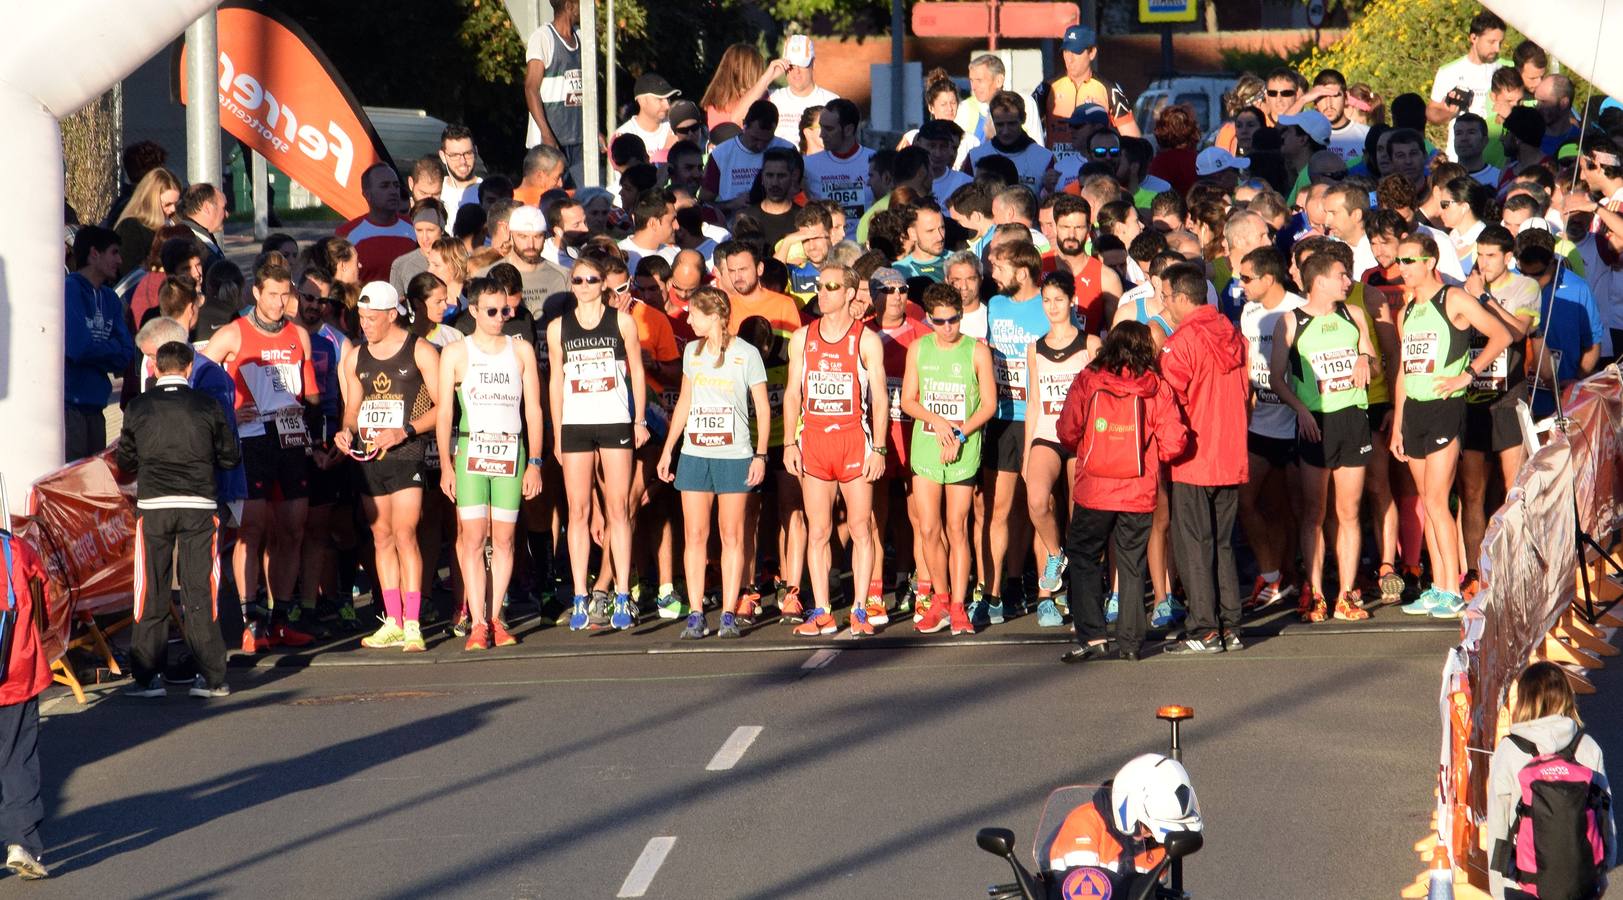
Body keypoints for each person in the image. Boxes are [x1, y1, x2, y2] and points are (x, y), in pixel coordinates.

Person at [203, 260, 321, 651]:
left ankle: (282, 617)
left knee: (293, 529)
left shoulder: (299, 335)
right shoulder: (234, 333)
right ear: (256, 293)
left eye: (285, 294)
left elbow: (311, 394)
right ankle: (251, 620)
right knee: (251, 531)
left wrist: (307, 417)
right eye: (272, 294)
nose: (279, 302)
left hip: (288, 441)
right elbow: (197, 378)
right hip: (250, 441)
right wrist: (228, 414)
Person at [1392, 232, 1510, 619]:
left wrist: (1468, 375)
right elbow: (1402, 372)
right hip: (1415, 413)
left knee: (1439, 500)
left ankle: (1451, 588)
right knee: (1427, 503)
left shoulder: (1454, 298)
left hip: (1446, 407)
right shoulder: (1406, 310)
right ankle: (1437, 585)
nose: (1402, 268)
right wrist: (1396, 425)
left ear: (1429, 261)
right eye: (1400, 261)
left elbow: (1502, 334)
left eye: (1409, 260)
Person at [1055, 322, 1186, 662]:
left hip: (1094, 487)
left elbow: (1067, 430)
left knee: (1084, 557)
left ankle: (1093, 636)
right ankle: (1130, 642)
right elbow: (1173, 442)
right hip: (1137, 487)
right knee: (1131, 562)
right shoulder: (1155, 386)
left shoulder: (1089, 378)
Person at [119, 339, 239, 699]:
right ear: (189, 368)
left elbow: (125, 460)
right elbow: (229, 456)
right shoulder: (207, 404)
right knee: (201, 588)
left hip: (154, 504)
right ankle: (212, 676)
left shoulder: (139, 407)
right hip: (200, 504)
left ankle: (147, 676)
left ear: (155, 368)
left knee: (150, 588)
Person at [1270, 250, 1378, 622]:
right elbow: (1276, 377)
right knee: (1314, 513)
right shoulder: (1291, 321)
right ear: (1318, 281)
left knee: (1349, 512)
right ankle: (1315, 592)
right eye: (1341, 276)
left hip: (1351, 418)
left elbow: (1374, 364)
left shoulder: (1354, 315)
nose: (1348, 282)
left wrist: (1366, 359)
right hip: (1315, 421)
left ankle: (1346, 595)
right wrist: (1300, 409)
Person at [656, 287, 770, 639]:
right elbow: (685, 402)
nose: (688, 320)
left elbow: (762, 408)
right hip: (695, 452)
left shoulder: (747, 354)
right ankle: (695, 612)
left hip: (734, 453)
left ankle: (730, 612)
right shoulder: (692, 350)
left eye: (694, 314)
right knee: (694, 534)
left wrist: (761, 454)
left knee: (732, 534)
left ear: (715, 317)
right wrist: (668, 450)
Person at [437, 278, 545, 649]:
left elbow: (534, 409)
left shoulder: (521, 351)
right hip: (471, 451)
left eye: (506, 310)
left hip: (510, 452)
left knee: (504, 538)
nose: (501, 317)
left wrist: (535, 462)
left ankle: (495, 617)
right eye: (493, 311)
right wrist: (446, 467)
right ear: (474, 311)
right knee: (471, 538)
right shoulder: (456, 353)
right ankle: (477, 621)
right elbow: (444, 415)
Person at [781, 263, 888, 637]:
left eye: (830, 286)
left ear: (848, 293)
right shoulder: (802, 337)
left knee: (861, 527)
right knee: (819, 530)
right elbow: (793, 392)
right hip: (813, 442)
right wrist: (789, 442)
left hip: (853, 442)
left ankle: (860, 608)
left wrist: (880, 447)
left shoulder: (866, 340)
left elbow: (880, 397)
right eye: (819, 286)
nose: (821, 293)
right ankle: (822, 610)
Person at [335, 283, 441, 653]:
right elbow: (352, 406)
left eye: (372, 319)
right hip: (369, 455)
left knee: (405, 531)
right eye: (361, 318)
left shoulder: (420, 350)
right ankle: (392, 619)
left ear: (392, 315)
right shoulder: (355, 356)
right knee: (381, 536)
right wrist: (346, 431)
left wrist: (405, 430)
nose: (365, 325)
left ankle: (413, 622)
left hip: (407, 452)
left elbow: (444, 407)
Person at [547, 255, 650, 631]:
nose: (585, 286)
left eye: (592, 280)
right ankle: (579, 594)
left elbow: (636, 370)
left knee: (618, 507)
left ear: (603, 284)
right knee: (577, 511)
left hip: (614, 419)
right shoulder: (558, 327)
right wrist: (557, 430)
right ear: (571, 284)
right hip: (576, 423)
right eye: (578, 280)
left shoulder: (622, 321)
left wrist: (638, 419)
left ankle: (623, 593)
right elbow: (555, 380)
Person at [1159, 263, 1250, 654]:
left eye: (1166, 297)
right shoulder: (1233, 333)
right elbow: (1247, 396)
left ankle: (1204, 627)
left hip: (1194, 456)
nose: (1165, 305)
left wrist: (1165, 448)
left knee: (1194, 544)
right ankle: (1230, 624)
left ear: (1182, 297)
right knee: (1223, 543)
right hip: (1230, 453)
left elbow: (1169, 401)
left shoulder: (1182, 341)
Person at [903, 283, 997, 635]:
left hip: (962, 447)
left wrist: (958, 433)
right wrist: (938, 422)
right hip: (928, 446)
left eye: (954, 320)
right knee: (928, 528)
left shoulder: (976, 351)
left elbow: (988, 404)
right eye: (940, 322)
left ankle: (959, 606)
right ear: (928, 319)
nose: (947, 328)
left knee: (957, 527)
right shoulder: (919, 348)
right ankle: (940, 601)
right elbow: (908, 400)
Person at [1485, 661, 1615, 900]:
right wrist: (1603, 871)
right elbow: (1604, 815)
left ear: (1524, 700)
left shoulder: (1510, 750)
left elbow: (1498, 822)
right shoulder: (1586, 746)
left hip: (1523, 882)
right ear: (1566, 697)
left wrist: (1497, 886)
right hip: (1581, 879)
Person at [1458, 226, 1539, 599]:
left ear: (1508, 257)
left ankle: (1517, 566)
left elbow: (1519, 333)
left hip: (1508, 397)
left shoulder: (1525, 287)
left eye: (1491, 255)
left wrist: (1485, 300)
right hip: (1474, 401)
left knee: (1513, 489)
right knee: (1472, 491)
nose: (1483, 262)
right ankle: (1475, 571)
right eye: (1480, 255)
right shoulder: (1465, 286)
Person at [1023, 270, 1098, 628]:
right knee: (1038, 502)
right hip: (1046, 435)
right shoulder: (1034, 348)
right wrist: (1026, 455)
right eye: (1046, 300)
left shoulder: (1091, 345)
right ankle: (1055, 558)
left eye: (1058, 300)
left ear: (1072, 301)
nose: (1052, 307)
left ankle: (1074, 593)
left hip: (1080, 438)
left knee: (1075, 516)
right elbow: (1034, 403)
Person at [979, 241, 1048, 627]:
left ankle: (1042, 588)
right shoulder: (996, 306)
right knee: (1000, 508)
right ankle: (996, 589)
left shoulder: (1047, 307)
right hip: (1002, 418)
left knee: (1037, 507)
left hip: (1037, 420)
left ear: (1022, 271)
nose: (993, 274)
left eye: (999, 267)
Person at [1235, 246, 1302, 611]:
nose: (1241, 285)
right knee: (1247, 501)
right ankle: (1272, 575)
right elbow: (1246, 365)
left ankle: (1293, 578)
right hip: (1260, 424)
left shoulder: (1298, 307)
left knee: (1289, 509)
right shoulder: (1249, 311)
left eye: (1247, 278)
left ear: (1268, 278)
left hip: (1294, 424)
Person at [1048, 753, 1203, 875]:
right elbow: (1075, 889)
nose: (1151, 836)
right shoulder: (1084, 824)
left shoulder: (1158, 846)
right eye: (1149, 828)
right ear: (1130, 810)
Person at [0, 517, 52, 879]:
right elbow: (44, 599)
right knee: (17, 755)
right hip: (16, 670)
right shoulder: (15, 550)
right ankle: (21, 842)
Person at [64, 225, 137, 461]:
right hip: (71, 406)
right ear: (94, 254)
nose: (120, 260)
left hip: (97, 406)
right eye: (114, 252)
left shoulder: (110, 298)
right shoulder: (69, 290)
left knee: (93, 479)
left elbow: (126, 353)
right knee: (73, 480)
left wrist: (98, 353)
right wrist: (107, 352)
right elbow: (77, 348)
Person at [1427, 10, 1505, 161]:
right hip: (1459, 160)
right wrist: (1447, 113)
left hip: (1497, 160)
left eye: (1500, 43)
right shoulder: (1449, 71)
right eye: (1491, 42)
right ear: (1474, 38)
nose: (1497, 49)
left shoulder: (1506, 69)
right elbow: (1432, 113)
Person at [1044, 24, 1137, 146]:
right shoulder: (1047, 87)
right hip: (1057, 165)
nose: (1069, 59)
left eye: (1076, 52)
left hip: (1095, 163)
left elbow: (1133, 141)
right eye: (1066, 51)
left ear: (1092, 53)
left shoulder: (1110, 89)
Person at [524, 0, 583, 184]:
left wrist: (594, 130)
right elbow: (531, 88)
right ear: (570, 5)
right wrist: (546, 134)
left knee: (585, 198)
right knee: (552, 201)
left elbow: (583, 90)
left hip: (579, 140)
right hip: (552, 143)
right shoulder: (543, 37)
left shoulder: (582, 37)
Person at [700, 101, 796, 213]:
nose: (760, 146)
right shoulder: (721, 154)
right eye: (755, 138)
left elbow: (799, 194)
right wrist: (733, 204)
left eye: (767, 141)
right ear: (744, 125)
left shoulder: (788, 150)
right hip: (734, 224)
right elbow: (704, 202)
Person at [803, 99, 874, 242]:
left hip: (864, 251)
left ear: (848, 129)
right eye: (821, 127)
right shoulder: (808, 164)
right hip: (825, 252)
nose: (822, 135)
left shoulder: (874, 160)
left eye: (829, 129)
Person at [336, 163, 416, 284]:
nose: (393, 191)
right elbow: (339, 283)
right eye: (384, 186)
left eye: (396, 185)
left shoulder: (416, 228)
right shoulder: (346, 234)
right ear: (367, 194)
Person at [966, 92, 1055, 196]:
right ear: (993, 121)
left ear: (1023, 119)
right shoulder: (975, 156)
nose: (1005, 131)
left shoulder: (1044, 158)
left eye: (1011, 124)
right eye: (999, 124)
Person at [956, 54, 1044, 147]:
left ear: (999, 80)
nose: (973, 87)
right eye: (971, 81)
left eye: (979, 80)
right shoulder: (964, 108)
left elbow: (1038, 150)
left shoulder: (1026, 103)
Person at [769, 35, 839, 147]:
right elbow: (737, 118)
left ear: (813, 64)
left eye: (802, 64)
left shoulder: (832, 101)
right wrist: (767, 77)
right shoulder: (772, 98)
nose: (796, 71)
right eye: (791, 65)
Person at [111, 166, 180, 279]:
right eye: (167, 204)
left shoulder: (173, 223)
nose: (173, 209)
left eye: (175, 204)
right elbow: (129, 272)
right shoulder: (132, 227)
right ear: (151, 202)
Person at [614, 73, 680, 164]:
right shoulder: (623, 136)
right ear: (641, 101)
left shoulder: (676, 127)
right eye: (659, 99)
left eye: (668, 99)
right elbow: (630, 176)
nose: (667, 106)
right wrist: (664, 152)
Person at [388, 198, 447, 296]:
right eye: (419, 230)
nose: (425, 237)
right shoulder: (401, 265)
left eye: (430, 230)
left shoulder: (458, 259)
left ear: (442, 230)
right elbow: (396, 306)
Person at [174, 183, 226, 265]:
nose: (227, 214)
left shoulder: (200, 238)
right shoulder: (194, 246)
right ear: (207, 208)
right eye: (223, 208)